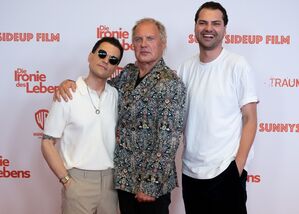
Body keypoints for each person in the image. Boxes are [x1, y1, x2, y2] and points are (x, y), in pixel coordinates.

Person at [54, 18, 186, 214]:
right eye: (138, 39)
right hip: (124, 180)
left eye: (150, 38)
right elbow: (99, 90)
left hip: (151, 187)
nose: (144, 44)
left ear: (162, 43)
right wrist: (68, 83)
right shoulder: (128, 74)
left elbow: (168, 139)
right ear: (132, 44)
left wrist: (150, 185)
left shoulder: (170, 83)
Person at [177, 2, 258, 214]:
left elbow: (250, 118)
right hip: (191, 172)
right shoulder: (185, 68)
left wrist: (237, 167)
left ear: (224, 29)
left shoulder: (237, 65)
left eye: (216, 23)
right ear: (195, 27)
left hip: (225, 171)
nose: (208, 28)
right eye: (203, 22)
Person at [41, 37, 124, 214]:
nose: (105, 61)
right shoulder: (68, 93)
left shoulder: (116, 95)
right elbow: (47, 142)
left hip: (110, 183)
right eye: (102, 54)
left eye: (113, 59)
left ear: (115, 68)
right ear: (90, 56)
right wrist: (66, 181)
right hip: (77, 182)